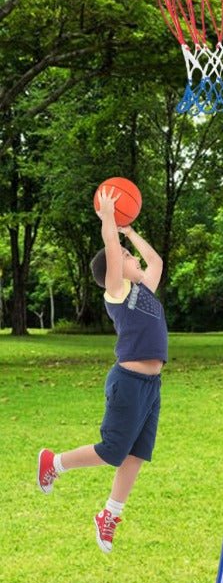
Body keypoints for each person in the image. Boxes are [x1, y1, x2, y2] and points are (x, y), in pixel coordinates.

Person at [37, 186, 167, 553]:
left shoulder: (146, 291)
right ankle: (54, 462)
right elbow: (112, 256)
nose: (134, 261)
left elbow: (154, 261)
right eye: (127, 258)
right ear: (116, 271)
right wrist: (109, 221)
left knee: (137, 453)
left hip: (151, 386)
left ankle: (109, 514)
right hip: (127, 382)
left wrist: (131, 234)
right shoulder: (119, 293)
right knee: (113, 450)